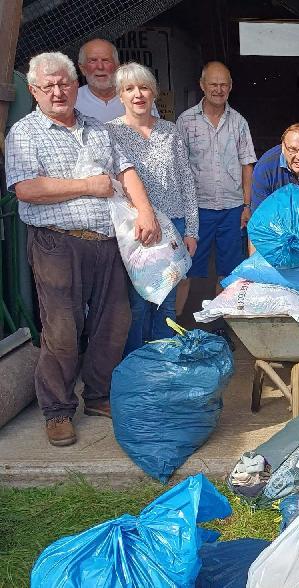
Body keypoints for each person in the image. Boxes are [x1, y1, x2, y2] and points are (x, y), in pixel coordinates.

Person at [4, 52, 160, 447]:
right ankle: (57, 410)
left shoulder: (97, 128)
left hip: (107, 242)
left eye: (64, 83)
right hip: (57, 243)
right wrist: (88, 186)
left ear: (77, 86)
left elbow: (126, 171)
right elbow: (26, 189)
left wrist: (145, 211)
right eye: (48, 85)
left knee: (113, 323)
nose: (58, 91)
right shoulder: (25, 132)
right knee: (62, 330)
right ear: (34, 91)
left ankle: (98, 396)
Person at [106, 62, 198, 355]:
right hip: (137, 230)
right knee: (138, 302)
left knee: (168, 301)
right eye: (129, 89)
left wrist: (192, 230)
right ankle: (137, 362)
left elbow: (186, 180)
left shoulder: (170, 132)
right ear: (120, 95)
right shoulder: (110, 133)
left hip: (174, 225)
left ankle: (164, 359)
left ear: (154, 93)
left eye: (144, 87)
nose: (138, 94)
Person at [177, 61, 256, 304]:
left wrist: (246, 205)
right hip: (196, 208)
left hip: (232, 208)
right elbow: (178, 168)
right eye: (213, 84)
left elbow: (247, 164)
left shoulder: (239, 122)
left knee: (229, 269)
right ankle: (177, 323)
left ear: (231, 87)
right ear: (202, 85)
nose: (218, 90)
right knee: (185, 267)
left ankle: (223, 321)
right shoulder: (186, 121)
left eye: (224, 85)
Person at [75, 38, 158, 122]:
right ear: (82, 68)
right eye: (92, 61)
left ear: (117, 66)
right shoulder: (72, 100)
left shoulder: (139, 98)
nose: (100, 67)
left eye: (106, 60)